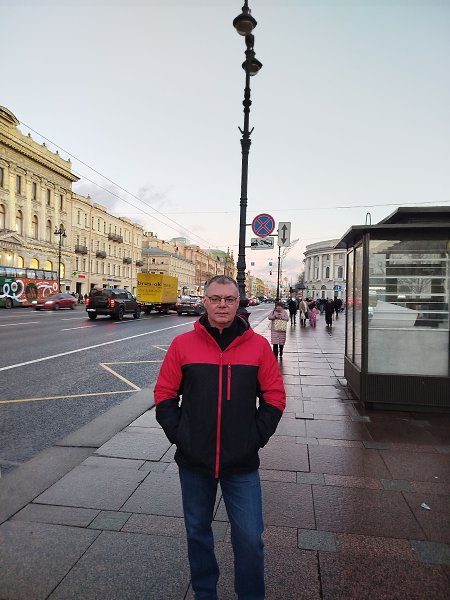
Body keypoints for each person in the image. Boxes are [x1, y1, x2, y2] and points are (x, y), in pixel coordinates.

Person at [154, 275, 286, 600]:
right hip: (194, 462)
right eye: (215, 299)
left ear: (238, 303)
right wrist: (182, 436)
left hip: (241, 463)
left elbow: (274, 396)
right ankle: (204, 594)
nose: (222, 305)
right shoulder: (182, 345)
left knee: (250, 539)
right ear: (205, 302)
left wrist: (254, 438)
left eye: (229, 299)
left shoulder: (257, 346)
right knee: (197, 533)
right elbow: (165, 394)